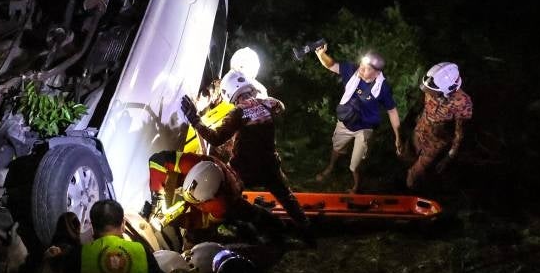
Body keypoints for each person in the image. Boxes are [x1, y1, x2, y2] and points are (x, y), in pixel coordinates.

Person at [180, 70, 309, 231]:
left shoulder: (237, 112)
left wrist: (195, 120)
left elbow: (216, 138)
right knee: (287, 198)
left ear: (229, 93)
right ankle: (307, 232)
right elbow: (280, 107)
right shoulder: (267, 103)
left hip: (244, 168)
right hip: (270, 164)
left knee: (228, 195)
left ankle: (243, 225)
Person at [312, 43, 402, 193]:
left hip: (365, 128)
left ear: (376, 73)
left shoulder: (383, 88)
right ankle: (331, 167)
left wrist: (397, 137)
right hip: (346, 121)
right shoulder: (352, 70)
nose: (361, 68)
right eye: (361, 64)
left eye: (366, 68)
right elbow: (332, 65)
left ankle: (356, 186)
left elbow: (392, 111)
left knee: (356, 164)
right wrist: (321, 55)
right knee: (337, 147)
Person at [146, 150, 284, 246]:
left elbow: (204, 223)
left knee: (244, 214)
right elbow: (157, 160)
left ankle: (275, 228)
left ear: (208, 199)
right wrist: (158, 198)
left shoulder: (221, 204)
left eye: (195, 202)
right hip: (216, 171)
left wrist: (180, 221)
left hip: (234, 196)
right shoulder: (192, 163)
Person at [406, 62, 473, 189]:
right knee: (411, 155)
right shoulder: (432, 83)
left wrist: (449, 157)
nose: (428, 92)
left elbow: (460, 133)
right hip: (419, 130)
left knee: (412, 177)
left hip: (434, 142)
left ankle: (414, 194)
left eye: (432, 91)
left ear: (446, 90)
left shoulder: (462, 102)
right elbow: (423, 105)